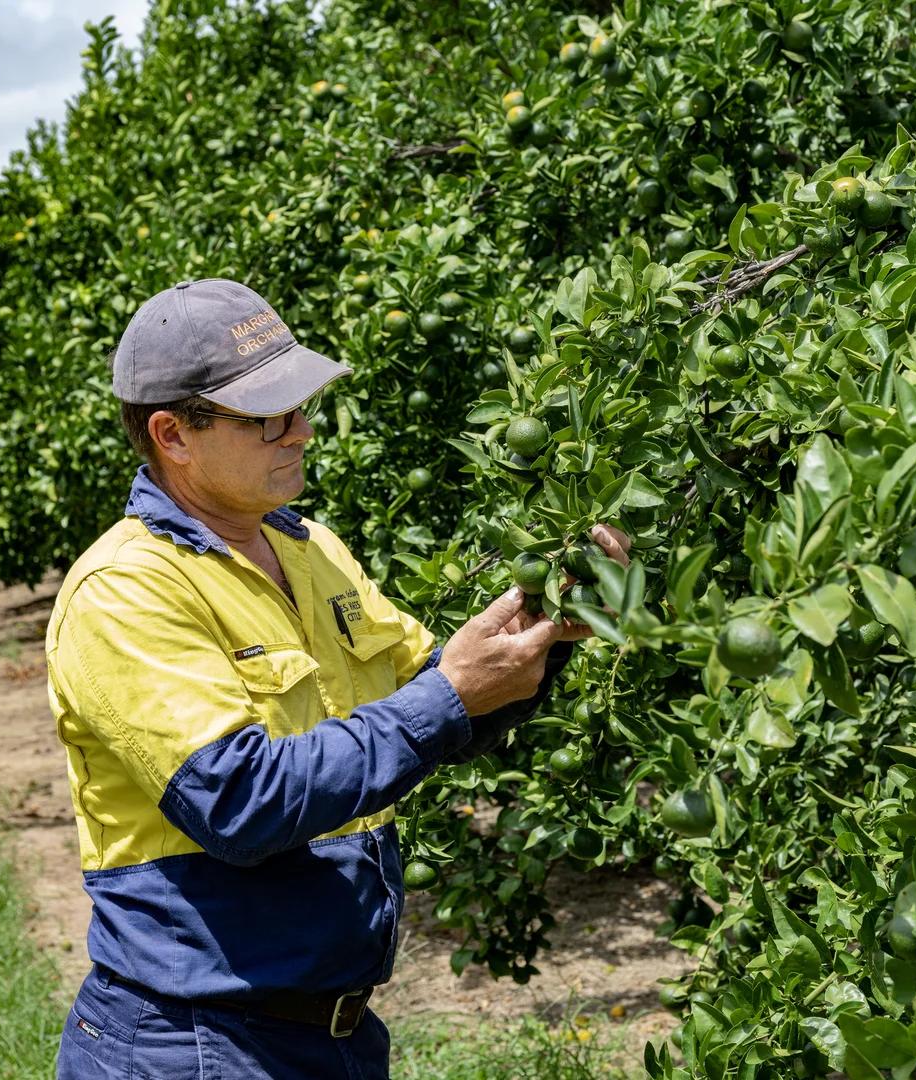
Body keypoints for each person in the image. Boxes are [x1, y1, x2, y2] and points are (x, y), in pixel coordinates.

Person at [46, 279, 629, 1079]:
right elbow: (237, 801)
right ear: (173, 434)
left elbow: (434, 708)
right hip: (199, 1044)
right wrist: (449, 692)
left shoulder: (307, 547)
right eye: (268, 418)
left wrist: (546, 630)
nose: (301, 431)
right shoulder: (126, 589)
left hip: (333, 1035)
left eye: (300, 406)